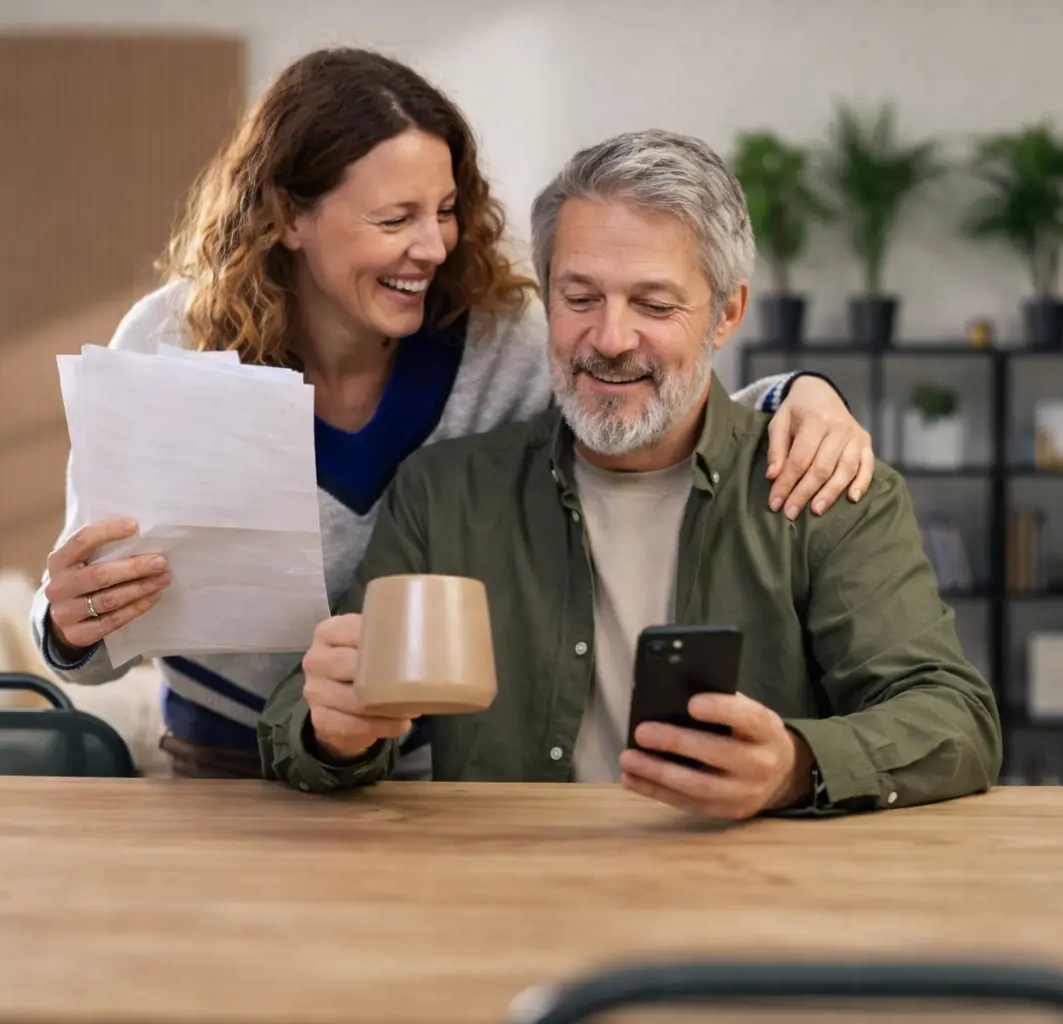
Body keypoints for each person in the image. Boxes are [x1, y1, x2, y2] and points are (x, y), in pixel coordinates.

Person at [29, 49, 877, 781]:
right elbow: (92, 635)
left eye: (443, 210)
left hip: (433, 772)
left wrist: (794, 394)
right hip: (220, 762)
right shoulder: (169, 341)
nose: (433, 247)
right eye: (394, 219)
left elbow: (645, 402)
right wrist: (66, 627)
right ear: (288, 215)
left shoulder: (503, 342)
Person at [259, 128, 1002, 818]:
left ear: (726, 314)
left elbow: (954, 719)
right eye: (579, 299)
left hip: (746, 897)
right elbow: (303, 716)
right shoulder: (444, 493)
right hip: (502, 895)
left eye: (653, 303)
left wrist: (798, 765)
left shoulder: (822, 489)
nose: (610, 340)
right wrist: (335, 734)